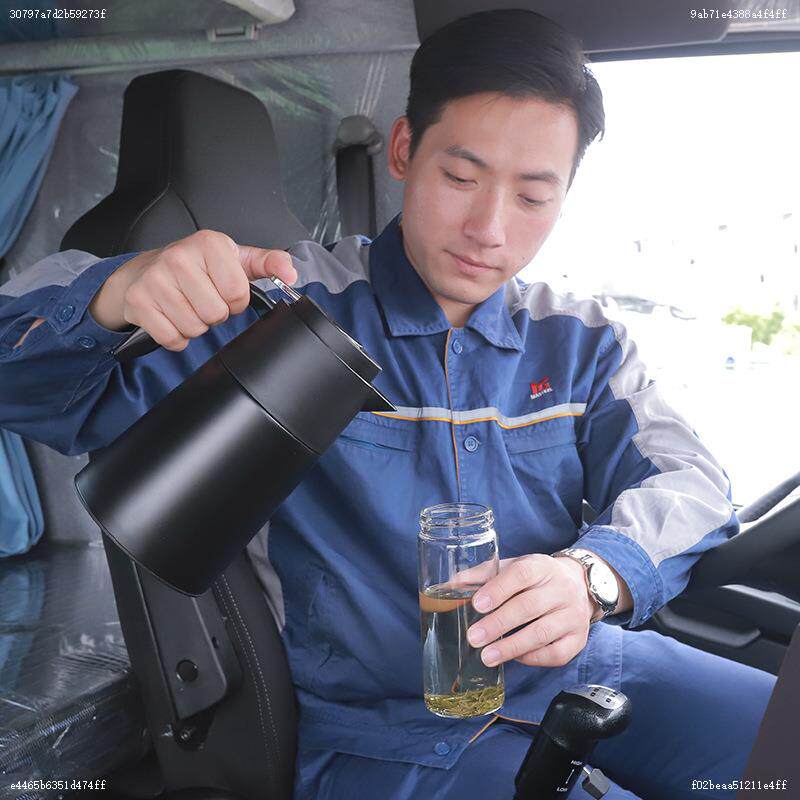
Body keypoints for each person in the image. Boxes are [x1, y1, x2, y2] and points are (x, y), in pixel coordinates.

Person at [0, 10, 776, 799]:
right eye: (461, 178)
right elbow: (25, 383)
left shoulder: (582, 341)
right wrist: (114, 293)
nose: (490, 229)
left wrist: (592, 577)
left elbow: (691, 482)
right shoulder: (278, 315)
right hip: (391, 734)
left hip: (581, 664)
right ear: (405, 150)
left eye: (533, 196)